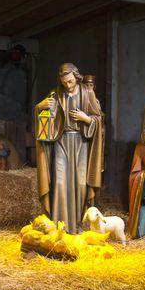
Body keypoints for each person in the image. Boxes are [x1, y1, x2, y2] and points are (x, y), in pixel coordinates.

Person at [35, 63, 104, 233]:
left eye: (71, 81)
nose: (68, 85)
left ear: (77, 77)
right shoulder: (55, 93)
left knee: (81, 183)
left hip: (81, 143)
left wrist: (86, 119)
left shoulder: (87, 92)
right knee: (59, 182)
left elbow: (99, 120)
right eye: (64, 82)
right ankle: (60, 226)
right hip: (61, 142)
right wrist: (39, 107)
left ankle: (79, 225)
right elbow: (44, 117)